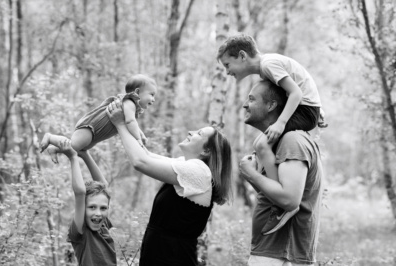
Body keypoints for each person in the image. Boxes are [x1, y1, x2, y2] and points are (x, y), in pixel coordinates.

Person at [217, 33, 326, 233]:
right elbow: (301, 83)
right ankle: (279, 194)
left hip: (305, 109)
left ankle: (282, 203)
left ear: (242, 56)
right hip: (309, 109)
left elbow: (296, 93)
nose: (227, 72)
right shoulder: (266, 69)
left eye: (227, 65)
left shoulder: (268, 65)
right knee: (263, 143)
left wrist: (281, 123)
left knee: (261, 144)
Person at [106, 99, 233, 266]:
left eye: (198, 133)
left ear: (206, 150)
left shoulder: (199, 172)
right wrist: (132, 126)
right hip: (162, 255)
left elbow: (140, 162)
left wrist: (120, 125)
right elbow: (147, 155)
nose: (190, 131)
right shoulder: (188, 166)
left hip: (173, 258)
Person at [239, 80, 323, 266]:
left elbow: (289, 200)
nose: (245, 104)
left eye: (252, 99)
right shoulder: (271, 144)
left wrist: (251, 174)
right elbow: (272, 195)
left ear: (271, 105)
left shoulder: (292, 140)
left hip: (282, 255)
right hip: (271, 251)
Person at [40, 74, 157, 163]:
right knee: (74, 145)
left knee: (80, 149)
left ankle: (55, 149)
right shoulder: (129, 102)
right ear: (137, 92)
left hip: (95, 134)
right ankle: (50, 137)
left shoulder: (131, 107)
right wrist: (139, 140)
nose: (153, 99)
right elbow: (130, 122)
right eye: (151, 94)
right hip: (91, 127)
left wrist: (140, 134)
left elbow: (132, 123)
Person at [53, 137, 116, 265]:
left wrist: (85, 155)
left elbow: (104, 185)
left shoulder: (102, 225)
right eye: (92, 207)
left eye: (103, 208)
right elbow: (80, 193)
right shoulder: (81, 233)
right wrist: (73, 158)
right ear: (83, 209)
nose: (98, 213)